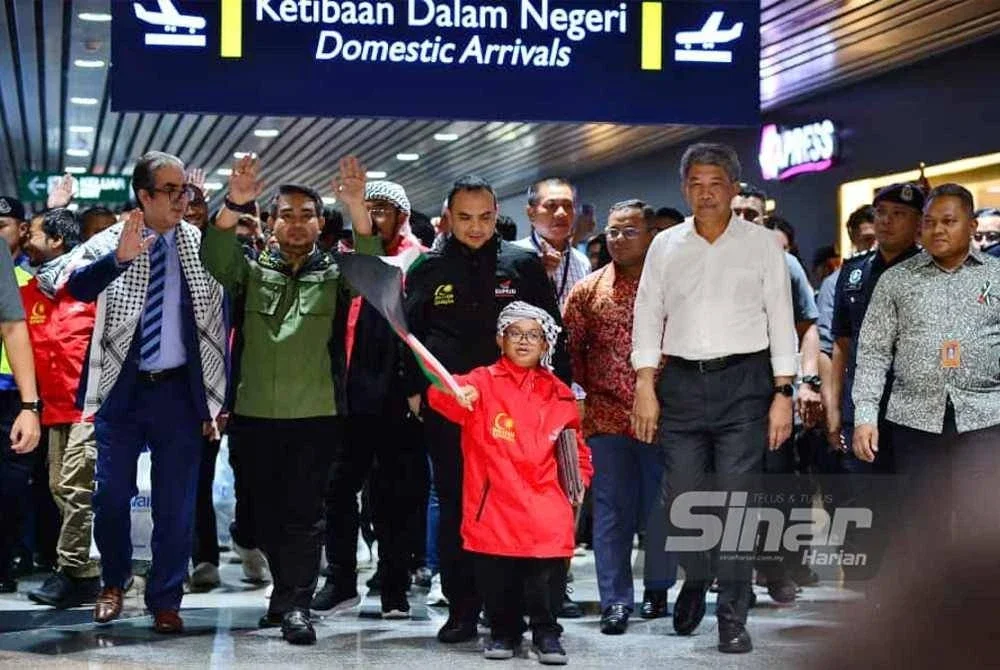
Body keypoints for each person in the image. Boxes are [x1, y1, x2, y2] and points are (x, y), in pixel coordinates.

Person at [200, 155, 378, 645]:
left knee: (304, 513)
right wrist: (234, 200)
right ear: (271, 221)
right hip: (254, 414)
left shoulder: (336, 274)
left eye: (306, 215)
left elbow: (370, 261)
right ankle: (275, 576)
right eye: (286, 214)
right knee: (257, 514)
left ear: (321, 223)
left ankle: (293, 603)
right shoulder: (250, 272)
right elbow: (214, 256)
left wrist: (357, 204)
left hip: (317, 415)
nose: (296, 223)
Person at [631, 143, 797, 654]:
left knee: (738, 504)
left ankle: (732, 616)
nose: (706, 193)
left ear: (733, 188)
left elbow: (782, 321)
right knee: (682, 499)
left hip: (745, 383)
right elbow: (647, 314)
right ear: (685, 189)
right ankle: (697, 574)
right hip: (679, 382)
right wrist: (644, 383)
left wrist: (783, 392)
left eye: (716, 183)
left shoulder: (762, 245)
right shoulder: (665, 246)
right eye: (697, 184)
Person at [65, 151, 227, 635]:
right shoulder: (114, 239)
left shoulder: (199, 243)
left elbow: (218, 322)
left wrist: (214, 402)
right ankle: (113, 582)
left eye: (187, 191)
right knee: (111, 496)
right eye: (173, 191)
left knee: (175, 507)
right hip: (123, 390)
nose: (183, 200)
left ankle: (165, 599)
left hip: (178, 393)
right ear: (145, 195)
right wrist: (120, 260)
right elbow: (75, 288)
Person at [403, 175, 570, 643]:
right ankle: (462, 608)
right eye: (465, 218)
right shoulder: (427, 269)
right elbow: (408, 338)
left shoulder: (522, 264)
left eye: (485, 217)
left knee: (514, 507)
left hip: (516, 415)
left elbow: (552, 334)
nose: (475, 227)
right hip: (453, 411)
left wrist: (563, 397)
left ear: (496, 215)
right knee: (460, 507)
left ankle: (510, 613)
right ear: (447, 218)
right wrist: (417, 392)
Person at [426, 301, 592, 665]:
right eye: (514, 333)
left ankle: (547, 633)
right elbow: (439, 393)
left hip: (544, 495)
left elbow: (573, 446)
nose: (523, 341)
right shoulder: (480, 382)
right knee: (497, 575)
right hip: (494, 498)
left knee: (546, 572)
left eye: (533, 335)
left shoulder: (559, 392)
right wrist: (454, 393)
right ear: (500, 339)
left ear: (546, 344)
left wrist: (579, 478)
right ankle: (504, 632)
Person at [853, 183, 1000, 548]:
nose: (937, 230)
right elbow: (872, 352)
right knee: (922, 525)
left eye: (949, 221)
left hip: (986, 418)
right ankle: (931, 603)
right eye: (930, 222)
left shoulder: (996, 276)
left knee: (981, 523)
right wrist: (866, 416)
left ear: (971, 226)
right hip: (914, 419)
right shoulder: (896, 281)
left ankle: (980, 604)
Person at [315, 180, 428, 620]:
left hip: (400, 396)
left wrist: (417, 387)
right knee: (337, 490)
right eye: (369, 209)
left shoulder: (419, 261)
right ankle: (341, 581)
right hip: (350, 393)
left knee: (394, 497)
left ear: (401, 215)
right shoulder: (345, 260)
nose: (375, 217)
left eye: (383, 209)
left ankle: (394, 587)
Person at [563, 200, 675, 635]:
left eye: (629, 231)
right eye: (611, 232)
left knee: (660, 507)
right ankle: (615, 601)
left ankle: (659, 590)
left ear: (650, 236)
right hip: (606, 418)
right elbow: (569, 353)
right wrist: (579, 404)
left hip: (664, 418)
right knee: (610, 511)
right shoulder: (588, 291)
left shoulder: (670, 286)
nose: (617, 239)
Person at [18, 209, 100, 609]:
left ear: (56, 241)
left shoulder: (89, 286)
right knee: (57, 487)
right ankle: (87, 574)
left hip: (91, 405)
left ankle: (72, 571)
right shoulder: (32, 292)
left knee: (75, 487)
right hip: (53, 409)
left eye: (31, 233)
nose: (25, 239)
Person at [827, 184, 923, 470]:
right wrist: (833, 411)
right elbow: (842, 345)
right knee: (867, 505)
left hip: (914, 414)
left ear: (919, 223)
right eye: (881, 212)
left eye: (899, 213)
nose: (886, 220)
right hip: (860, 412)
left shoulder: (934, 272)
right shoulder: (854, 271)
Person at [514, 178, 591, 310]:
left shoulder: (582, 262)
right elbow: (503, 308)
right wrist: (538, 277)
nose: (562, 213)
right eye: (551, 206)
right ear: (531, 213)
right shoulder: (513, 255)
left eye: (568, 205)